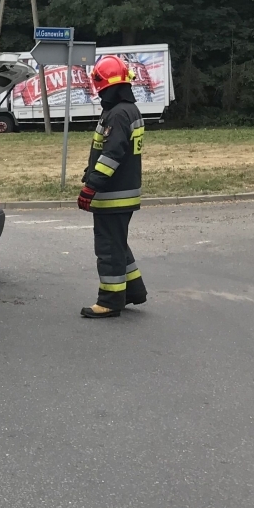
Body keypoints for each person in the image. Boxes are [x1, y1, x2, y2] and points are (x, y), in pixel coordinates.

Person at [78, 55, 148, 317]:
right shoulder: (128, 110)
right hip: (123, 192)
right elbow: (105, 151)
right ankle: (133, 290)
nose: (100, 95)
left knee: (108, 247)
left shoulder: (117, 114)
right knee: (118, 244)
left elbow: (112, 155)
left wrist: (91, 186)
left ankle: (109, 301)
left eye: (102, 90)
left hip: (112, 195)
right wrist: (90, 173)